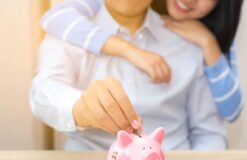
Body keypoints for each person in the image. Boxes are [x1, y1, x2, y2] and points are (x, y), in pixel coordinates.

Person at [30, 0, 226, 150]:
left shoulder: (188, 41)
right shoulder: (69, 31)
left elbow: (209, 134)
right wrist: (80, 107)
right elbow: (43, 92)